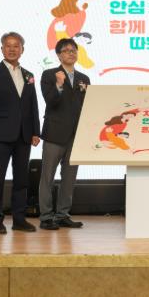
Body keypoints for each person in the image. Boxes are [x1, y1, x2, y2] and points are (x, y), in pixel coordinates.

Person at [0, 32, 41, 234]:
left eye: (16, 46)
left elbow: (33, 105)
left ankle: (19, 219)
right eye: (8, 45)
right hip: (0, 134)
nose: (12, 49)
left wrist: (35, 131)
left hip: (24, 134)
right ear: (2, 49)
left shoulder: (29, 75)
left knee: (21, 180)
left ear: (22, 50)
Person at [38, 38, 90, 230]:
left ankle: (62, 215)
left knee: (69, 177)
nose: (71, 53)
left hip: (76, 135)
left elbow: (87, 106)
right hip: (55, 134)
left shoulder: (84, 78)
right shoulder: (49, 74)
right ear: (59, 55)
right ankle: (46, 217)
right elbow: (50, 101)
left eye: (73, 50)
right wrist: (59, 85)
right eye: (66, 50)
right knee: (47, 177)